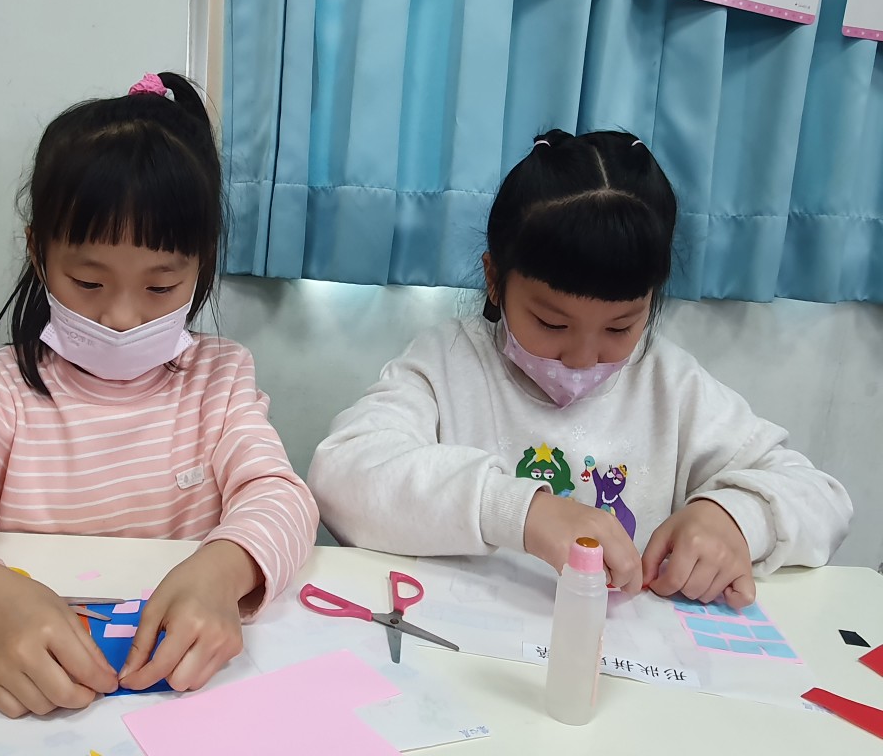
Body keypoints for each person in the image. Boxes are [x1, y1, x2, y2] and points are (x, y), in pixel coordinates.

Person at [0, 73, 319, 718]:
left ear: (200, 266)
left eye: (160, 288)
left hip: (183, 703)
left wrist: (223, 570)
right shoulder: (2, 389)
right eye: (88, 282)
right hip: (40, 704)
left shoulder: (219, 379)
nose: (122, 317)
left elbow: (280, 497)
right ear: (39, 255)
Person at [308, 129, 850, 611]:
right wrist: (518, 512)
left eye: (619, 327)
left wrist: (735, 519)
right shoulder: (448, 366)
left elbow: (820, 496)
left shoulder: (670, 385)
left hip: (618, 662)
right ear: (494, 280)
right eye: (551, 322)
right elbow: (341, 476)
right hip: (466, 653)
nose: (583, 358)